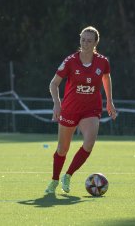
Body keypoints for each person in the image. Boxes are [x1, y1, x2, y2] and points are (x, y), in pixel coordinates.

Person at [45, 26, 116, 194]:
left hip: (91, 109)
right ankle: (54, 180)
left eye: (89, 41)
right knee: (62, 149)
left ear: (95, 43)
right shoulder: (70, 61)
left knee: (89, 143)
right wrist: (57, 103)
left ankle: (68, 175)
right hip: (70, 109)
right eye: (83, 39)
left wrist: (109, 101)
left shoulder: (102, 62)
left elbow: (106, 78)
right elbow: (53, 83)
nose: (85, 43)